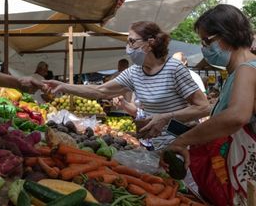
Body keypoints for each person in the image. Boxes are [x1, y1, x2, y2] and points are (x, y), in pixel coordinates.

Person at [44, 21, 209, 149]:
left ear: (149, 43)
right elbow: (100, 90)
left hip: (180, 145)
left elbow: (203, 107)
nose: (128, 48)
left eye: (132, 42)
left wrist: (166, 117)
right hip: (153, 144)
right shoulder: (135, 72)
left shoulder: (174, 69)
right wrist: (62, 86)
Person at [162, 4, 256, 205]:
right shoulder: (237, 73)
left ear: (226, 35)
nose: (204, 48)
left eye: (207, 41)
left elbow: (236, 117)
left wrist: (181, 140)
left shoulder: (246, 70)